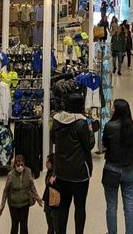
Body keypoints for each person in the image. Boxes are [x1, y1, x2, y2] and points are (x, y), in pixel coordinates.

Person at [51, 95, 95, 234]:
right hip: (80, 173)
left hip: (62, 172)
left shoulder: (57, 121)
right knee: (80, 207)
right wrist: (90, 130)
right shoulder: (81, 123)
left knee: (63, 207)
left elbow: (53, 140)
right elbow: (88, 145)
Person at [102, 99, 133, 234]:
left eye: (113, 107)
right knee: (129, 206)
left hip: (111, 170)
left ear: (117, 110)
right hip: (129, 170)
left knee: (111, 206)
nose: (111, 109)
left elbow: (105, 144)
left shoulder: (109, 126)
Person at [0, 154, 42, 234]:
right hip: (13, 205)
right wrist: (2, 205)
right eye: (18, 165)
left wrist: (37, 198)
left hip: (25, 203)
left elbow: (32, 186)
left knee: (24, 225)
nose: (20, 167)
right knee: (14, 225)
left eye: (22, 165)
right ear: (15, 165)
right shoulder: (10, 175)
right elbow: (5, 191)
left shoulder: (28, 172)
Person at [43, 154, 58, 234]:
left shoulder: (56, 174)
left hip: (54, 203)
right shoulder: (49, 172)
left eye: (47, 161)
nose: (46, 163)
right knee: (50, 226)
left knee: (55, 226)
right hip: (48, 201)